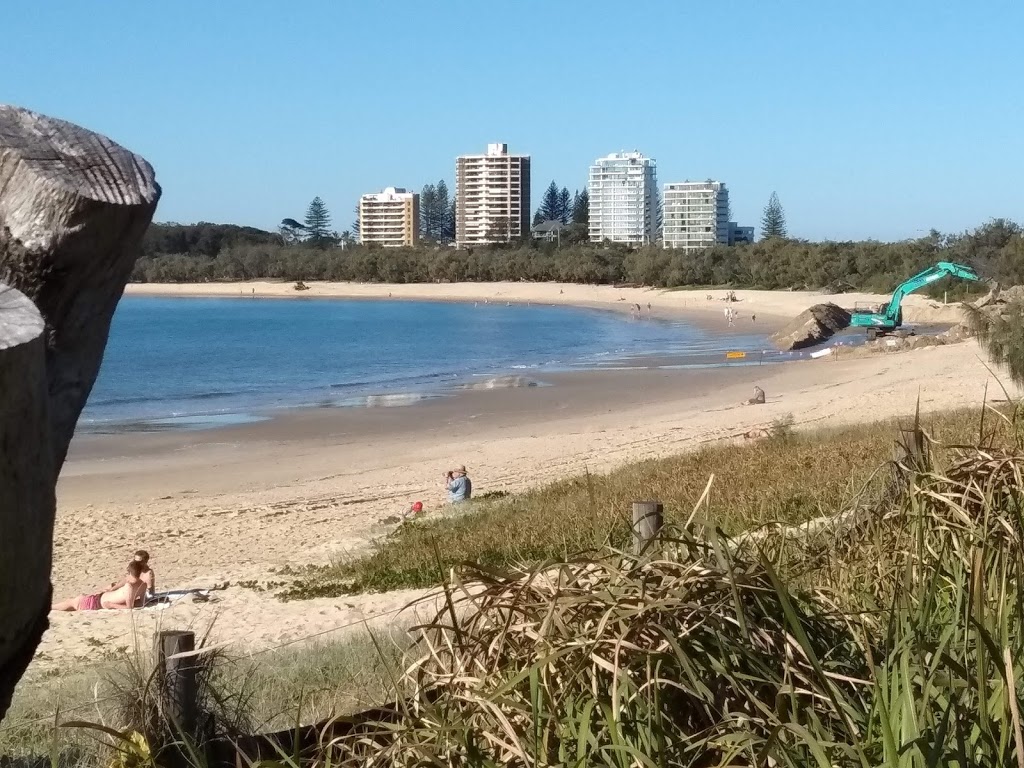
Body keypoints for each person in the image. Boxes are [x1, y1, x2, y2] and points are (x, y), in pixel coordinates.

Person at [52, 561, 149, 612]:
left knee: (73, 602)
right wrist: (112, 589)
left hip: (97, 603)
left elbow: (129, 607)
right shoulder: (143, 584)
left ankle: (50, 607)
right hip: (99, 598)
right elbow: (141, 602)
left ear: (129, 571)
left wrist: (112, 605)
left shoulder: (129, 586)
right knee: (75, 600)